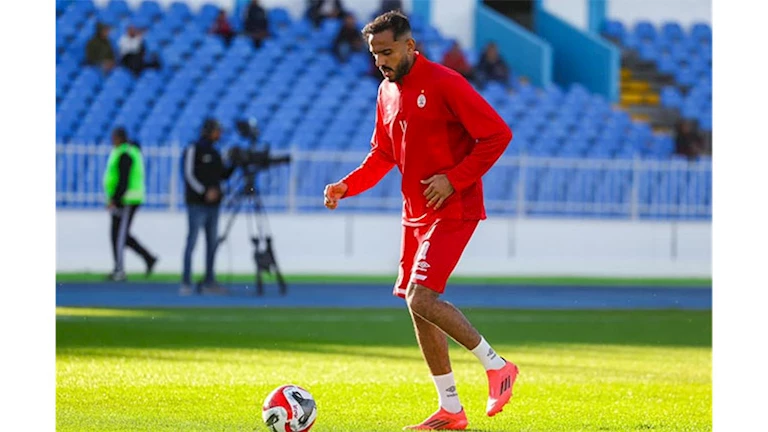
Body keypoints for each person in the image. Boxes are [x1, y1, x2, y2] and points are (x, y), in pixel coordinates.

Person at [323, 11, 517, 430]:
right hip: (415, 214)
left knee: (421, 298)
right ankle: (450, 408)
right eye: (375, 54)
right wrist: (347, 186)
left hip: (454, 207)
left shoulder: (446, 82)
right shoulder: (385, 92)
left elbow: (498, 135)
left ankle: (497, 366)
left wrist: (454, 179)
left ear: (410, 46)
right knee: (418, 307)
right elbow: (383, 154)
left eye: (387, 52)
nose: (381, 61)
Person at [181, 119, 235, 296]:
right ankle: (186, 281)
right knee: (192, 241)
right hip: (197, 204)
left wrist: (234, 163)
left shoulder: (215, 152)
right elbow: (188, 175)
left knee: (212, 243)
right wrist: (204, 191)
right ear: (208, 131)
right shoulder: (193, 149)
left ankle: (209, 281)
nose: (219, 134)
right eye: (217, 131)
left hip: (214, 205)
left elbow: (222, 175)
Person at [103, 127, 158, 282]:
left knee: (118, 235)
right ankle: (148, 258)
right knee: (121, 234)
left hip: (126, 200)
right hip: (125, 199)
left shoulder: (125, 153)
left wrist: (115, 199)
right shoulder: (126, 151)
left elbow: (123, 180)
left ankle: (119, 270)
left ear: (119, 138)